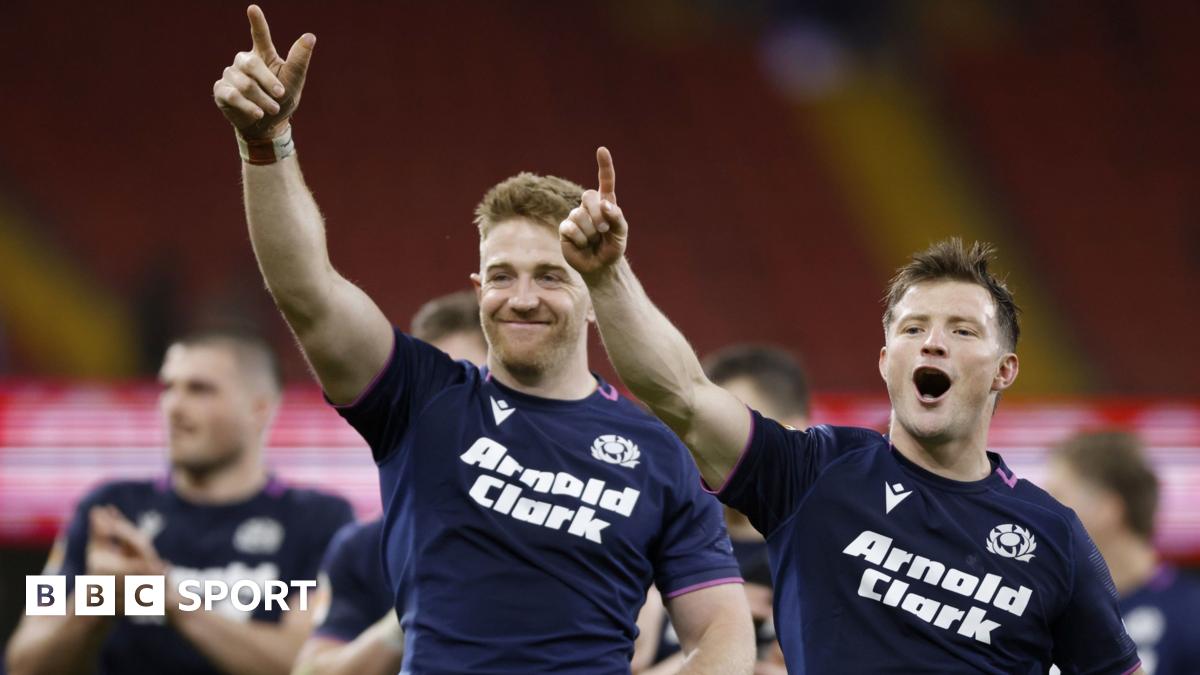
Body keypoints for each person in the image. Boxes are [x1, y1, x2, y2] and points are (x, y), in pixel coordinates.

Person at [211, 7, 754, 673]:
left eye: (550, 275)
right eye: (502, 276)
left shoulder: (659, 455)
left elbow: (723, 637)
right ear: (477, 287)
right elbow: (309, 293)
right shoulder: (421, 399)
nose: (522, 297)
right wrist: (266, 144)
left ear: (593, 294)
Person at [559, 147, 1143, 674]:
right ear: (887, 361)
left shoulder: (1053, 536)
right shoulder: (813, 472)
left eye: (963, 330)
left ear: (1004, 370)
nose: (933, 343)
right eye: (913, 329)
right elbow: (682, 395)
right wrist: (608, 278)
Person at [5, 330, 355, 675]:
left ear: (259, 408)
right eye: (168, 388)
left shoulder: (321, 520)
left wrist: (167, 598)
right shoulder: (107, 510)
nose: (174, 406)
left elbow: (310, 666)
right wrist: (98, 597)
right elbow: (22, 663)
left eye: (199, 389)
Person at [293, 291, 487, 675]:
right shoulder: (365, 547)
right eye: (436, 390)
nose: (450, 407)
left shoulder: (572, 523)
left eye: (470, 383)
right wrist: (412, 613)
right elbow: (310, 670)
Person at [640, 346, 807, 674]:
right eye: (700, 426)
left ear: (791, 433)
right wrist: (722, 640)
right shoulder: (655, 553)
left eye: (733, 425)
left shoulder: (840, 560)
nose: (707, 442)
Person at [1044, 431, 1200, 675]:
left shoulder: (1191, 616)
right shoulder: (1044, 609)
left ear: (1107, 509)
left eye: (1057, 497)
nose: (1042, 512)